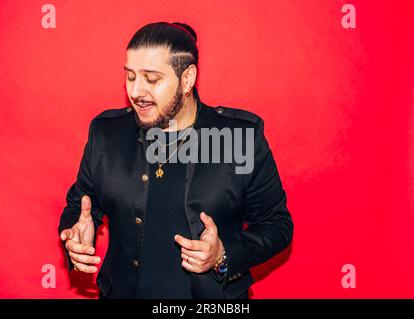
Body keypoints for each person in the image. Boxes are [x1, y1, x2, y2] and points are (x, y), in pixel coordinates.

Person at [58, 21, 294, 299]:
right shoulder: (107, 133)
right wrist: (75, 235)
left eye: (152, 79)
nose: (136, 92)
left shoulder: (239, 137)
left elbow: (276, 225)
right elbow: (80, 207)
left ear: (187, 79)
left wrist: (222, 254)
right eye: (131, 76)